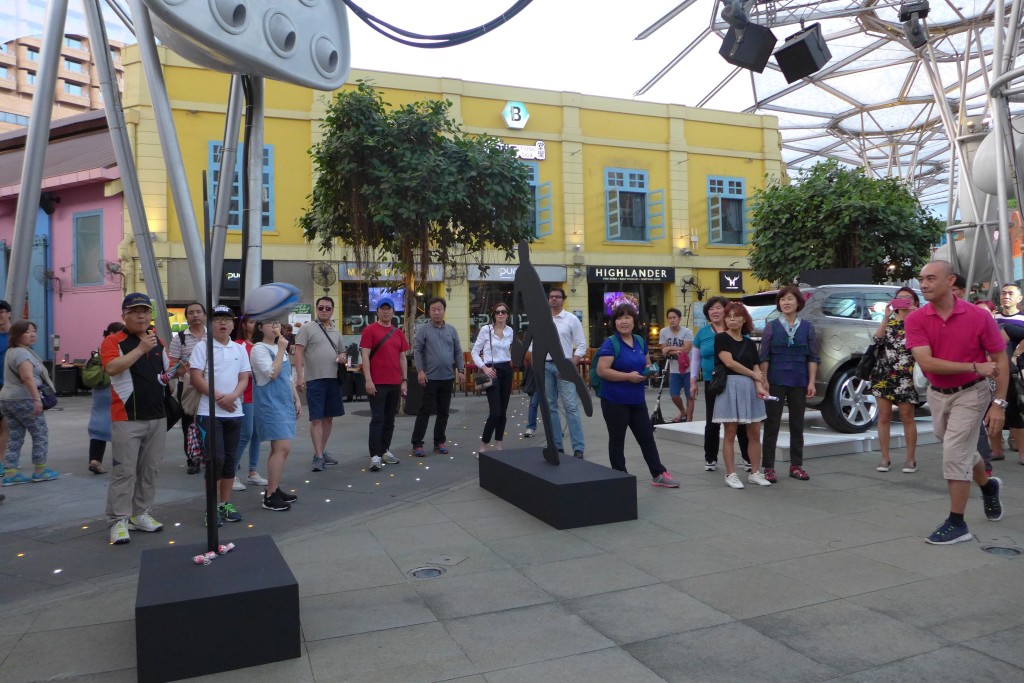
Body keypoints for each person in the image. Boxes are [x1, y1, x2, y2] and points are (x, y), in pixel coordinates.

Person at [904, 260, 1005, 545]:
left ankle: (957, 523)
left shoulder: (978, 316)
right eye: (921, 279)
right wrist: (974, 366)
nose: (923, 284)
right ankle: (988, 486)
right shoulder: (916, 319)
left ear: (951, 281)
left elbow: (1000, 361)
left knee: (954, 452)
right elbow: (926, 361)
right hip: (937, 394)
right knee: (958, 449)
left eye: (931, 278)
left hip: (972, 393)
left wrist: (999, 403)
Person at [102, 293, 170, 545]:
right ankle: (118, 520)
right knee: (124, 472)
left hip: (157, 416)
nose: (142, 315)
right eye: (135, 311)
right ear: (124, 315)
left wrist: (177, 369)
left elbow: (166, 372)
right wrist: (141, 349)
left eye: (145, 311)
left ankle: (140, 513)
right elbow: (111, 368)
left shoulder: (157, 342)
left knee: (150, 470)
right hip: (126, 417)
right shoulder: (114, 340)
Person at [595, 303, 679, 488]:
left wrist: (651, 371)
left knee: (647, 437)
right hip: (615, 400)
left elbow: (646, 363)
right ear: (614, 322)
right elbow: (602, 371)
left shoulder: (640, 341)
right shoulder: (611, 343)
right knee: (617, 440)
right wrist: (628, 377)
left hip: (637, 400)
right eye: (619, 318)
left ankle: (658, 473)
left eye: (627, 317)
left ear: (634, 321)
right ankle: (620, 475)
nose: (623, 321)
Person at [189, 304, 251, 526]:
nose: (223, 323)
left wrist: (233, 396)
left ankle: (225, 504)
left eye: (227, 319)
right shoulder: (202, 347)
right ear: (210, 323)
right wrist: (219, 398)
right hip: (209, 412)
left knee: (230, 462)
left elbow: (244, 377)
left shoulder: (239, 349)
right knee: (215, 460)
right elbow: (196, 378)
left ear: (234, 324)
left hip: (235, 412)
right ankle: (211, 507)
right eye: (217, 319)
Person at [758, 285, 819, 482]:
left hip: (799, 380)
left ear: (798, 302)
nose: (786, 302)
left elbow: (813, 357)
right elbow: (764, 356)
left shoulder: (807, 327)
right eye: (783, 299)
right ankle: (768, 467)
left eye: (790, 299)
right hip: (775, 380)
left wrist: (812, 382)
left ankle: (796, 465)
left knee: (797, 424)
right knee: (772, 424)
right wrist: (764, 379)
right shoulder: (772, 326)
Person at [713, 302, 772, 489]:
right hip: (730, 386)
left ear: (744, 318)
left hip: (749, 387)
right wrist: (755, 375)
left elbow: (756, 367)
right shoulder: (721, 338)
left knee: (754, 432)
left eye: (736, 315)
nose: (732, 319)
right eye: (728, 315)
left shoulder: (748, 342)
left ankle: (755, 472)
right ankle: (730, 474)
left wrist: (759, 386)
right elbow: (729, 363)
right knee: (730, 432)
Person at [525, 288, 587, 458]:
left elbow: (581, 345)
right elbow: (533, 345)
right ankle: (557, 445)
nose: (553, 300)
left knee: (571, 407)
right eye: (551, 297)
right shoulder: (541, 320)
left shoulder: (571, 319)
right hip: (545, 366)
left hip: (563, 365)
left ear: (563, 299)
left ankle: (578, 447)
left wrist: (571, 366)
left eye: (557, 297)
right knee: (550, 407)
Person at [693, 296, 750, 472]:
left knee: (740, 420)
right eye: (711, 309)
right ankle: (710, 458)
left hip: (736, 380)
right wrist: (692, 380)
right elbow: (696, 358)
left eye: (718, 308)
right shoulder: (702, 333)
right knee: (712, 420)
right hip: (713, 382)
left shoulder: (735, 329)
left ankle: (747, 458)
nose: (715, 312)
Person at [868, 287, 920, 474]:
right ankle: (885, 458)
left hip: (906, 375)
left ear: (915, 301)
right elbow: (877, 341)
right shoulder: (889, 321)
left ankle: (911, 459)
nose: (904, 301)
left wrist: (917, 315)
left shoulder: (919, 320)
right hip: (883, 374)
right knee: (883, 417)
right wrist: (886, 316)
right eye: (900, 298)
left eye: (908, 298)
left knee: (907, 417)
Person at [250, 320, 301, 511]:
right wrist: (281, 350)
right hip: (270, 403)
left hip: (284, 401)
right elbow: (272, 373)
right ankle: (270, 496)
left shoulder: (280, 348)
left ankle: (274, 488)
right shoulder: (259, 349)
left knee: (280, 448)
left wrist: (296, 398)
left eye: (277, 323)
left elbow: (287, 377)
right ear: (260, 327)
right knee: (282, 447)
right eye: (270, 323)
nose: (275, 327)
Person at [1, 320, 58, 485]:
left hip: (7, 399)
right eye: (27, 332)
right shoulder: (22, 354)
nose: (32, 334)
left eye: (34, 331)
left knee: (15, 435)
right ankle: (40, 470)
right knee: (40, 433)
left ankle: (10, 473)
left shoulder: (11, 351)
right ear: (17, 335)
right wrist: (36, 399)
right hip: (24, 398)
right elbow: (27, 378)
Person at [293, 296, 346, 472]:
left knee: (328, 418)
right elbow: (298, 352)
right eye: (321, 308)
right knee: (316, 418)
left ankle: (322, 452)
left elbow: (342, 352)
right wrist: (300, 376)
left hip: (333, 379)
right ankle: (318, 455)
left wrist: (343, 356)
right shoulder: (308, 328)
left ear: (332, 310)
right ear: (316, 309)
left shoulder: (336, 332)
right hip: (315, 379)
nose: (324, 311)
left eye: (328, 308)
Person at [411, 297, 465, 456]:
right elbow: (418, 350)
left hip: (447, 377)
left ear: (444, 310)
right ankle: (417, 443)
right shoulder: (424, 330)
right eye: (433, 309)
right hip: (430, 379)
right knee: (424, 412)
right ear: (429, 312)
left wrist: (460, 370)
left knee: (443, 412)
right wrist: (420, 370)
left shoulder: (451, 330)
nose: (436, 312)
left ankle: (439, 442)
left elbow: (458, 351)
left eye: (439, 309)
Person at [360, 296, 409, 471]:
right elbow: (365, 355)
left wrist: (404, 380)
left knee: (390, 419)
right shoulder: (370, 330)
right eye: (383, 308)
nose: (386, 311)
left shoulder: (398, 333)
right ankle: (374, 456)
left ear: (393, 312)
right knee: (377, 419)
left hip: (395, 382)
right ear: (377, 311)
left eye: (389, 309)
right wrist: (368, 379)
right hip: (377, 383)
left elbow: (402, 357)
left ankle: (384, 450)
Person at [168, 301, 206, 474]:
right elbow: (171, 368)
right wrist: (179, 370)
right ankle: (192, 458)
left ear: (205, 315)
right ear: (186, 317)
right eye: (191, 312)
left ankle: (210, 455)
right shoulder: (179, 339)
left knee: (211, 421)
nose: (195, 315)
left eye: (199, 312)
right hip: (188, 387)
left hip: (211, 385)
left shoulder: (212, 336)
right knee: (189, 423)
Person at [473, 302, 514, 454]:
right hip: (491, 370)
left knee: (503, 411)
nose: (500, 314)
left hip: (506, 370)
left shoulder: (511, 331)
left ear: (508, 315)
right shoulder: (486, 330)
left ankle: (498, 444)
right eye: (497, 312)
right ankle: (483, 445)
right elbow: (475, 352)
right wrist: (484, 367)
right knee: (495, 411)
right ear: (494, 315)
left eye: (503, 312)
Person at [232, 316, 267, 490]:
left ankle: (252, 471)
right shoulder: (238, 345)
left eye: (257, 322)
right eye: (252, 322)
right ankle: (230, 473)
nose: (255, 326)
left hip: (258, 396)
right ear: (244, 325)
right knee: (245, 433)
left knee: (256, 435)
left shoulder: (260, 346)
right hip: (244, 396)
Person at [86, 322, 126, 475]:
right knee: (121, 426)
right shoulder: (118, 347)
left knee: (98, 426)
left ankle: (95, 460)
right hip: (116, 389)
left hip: (99, 391)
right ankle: (120, 461)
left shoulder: (99, 349)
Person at [659, 307, 694, 423]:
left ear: (679, 319)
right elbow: (664, 350)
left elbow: (687, 349)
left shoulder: (687, 332)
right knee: (674, 395)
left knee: (690, 395)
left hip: (689, 367)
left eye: (674, 317)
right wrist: (674, 350)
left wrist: (670, 348)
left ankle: (689, 419)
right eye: (669, 318)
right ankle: (683, 411)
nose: (672, 320)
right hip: (674, 368)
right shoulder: (663, 332)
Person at [0, 299, 11, 464]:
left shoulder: (16, 336)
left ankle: (2, 460)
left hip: (9, 385)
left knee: (6, 425)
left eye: (2, 312)